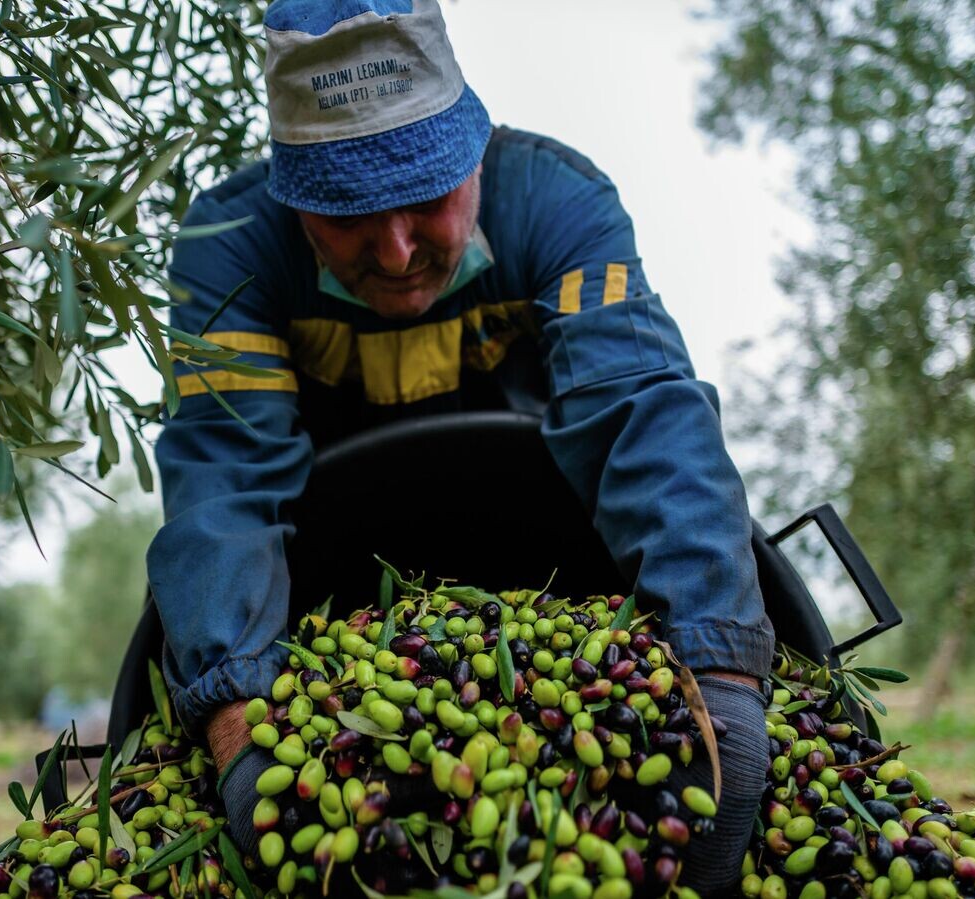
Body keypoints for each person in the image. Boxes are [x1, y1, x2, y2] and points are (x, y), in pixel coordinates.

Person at [147, 0, 775, 892]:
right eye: (347, 214)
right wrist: (241, 722)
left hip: (543, 525)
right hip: (328, 561)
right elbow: (223, 477)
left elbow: (643, 416)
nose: (398, 251)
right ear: (291, 197)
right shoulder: (232, 246)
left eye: (425, 198)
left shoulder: (556, 202)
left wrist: (717, 672)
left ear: (473, 147)